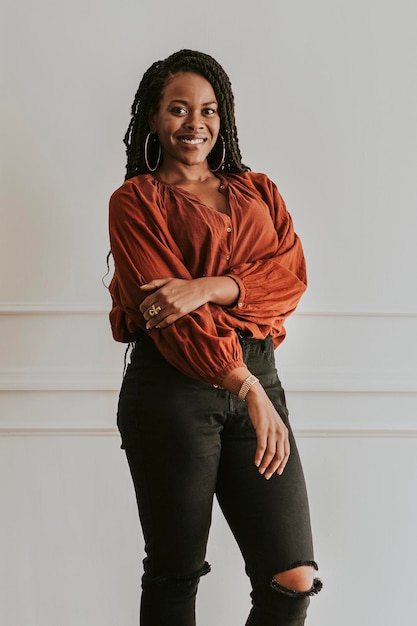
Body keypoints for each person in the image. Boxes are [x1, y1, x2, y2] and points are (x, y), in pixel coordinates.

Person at [108, 49, 322, 626]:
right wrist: (243, 383)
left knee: (292, 577)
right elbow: (168, 317)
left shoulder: (259, 191)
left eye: (207, 109)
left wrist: (205, 285)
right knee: (176, 573)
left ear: (222, 117)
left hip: (259, 375)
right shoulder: (135, 202)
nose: (194, 123)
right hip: (173, 390)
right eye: (177, 109)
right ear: (153, 118)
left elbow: (290, 280)